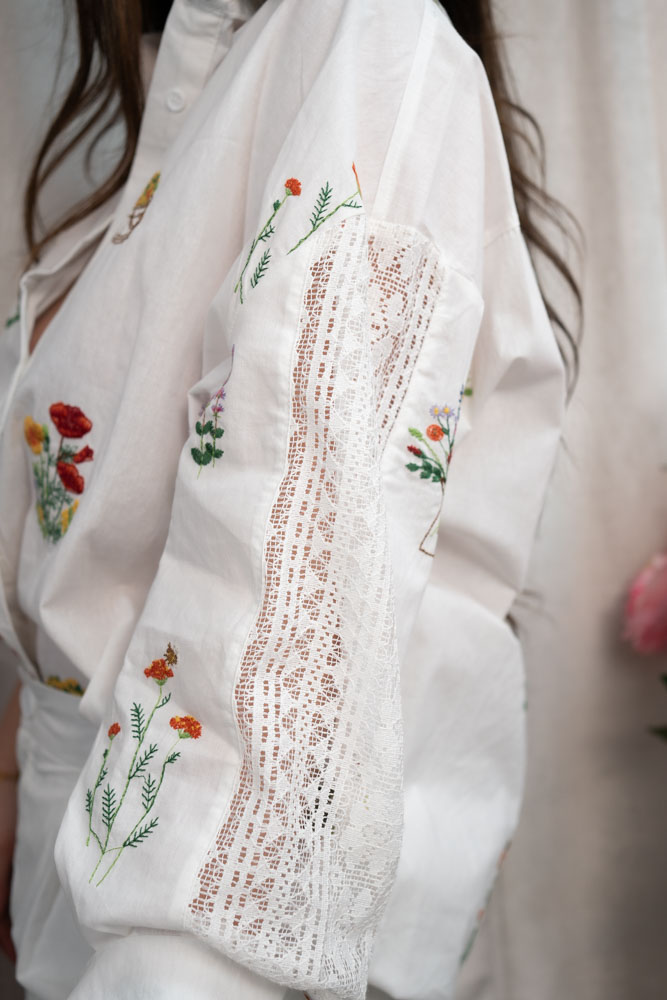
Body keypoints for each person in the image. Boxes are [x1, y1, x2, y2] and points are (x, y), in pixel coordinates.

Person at [0, 1, 579, 998]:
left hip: (177, 951)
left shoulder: (365, 42)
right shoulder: (201, 77)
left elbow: (277, 648)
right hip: (78, 904)